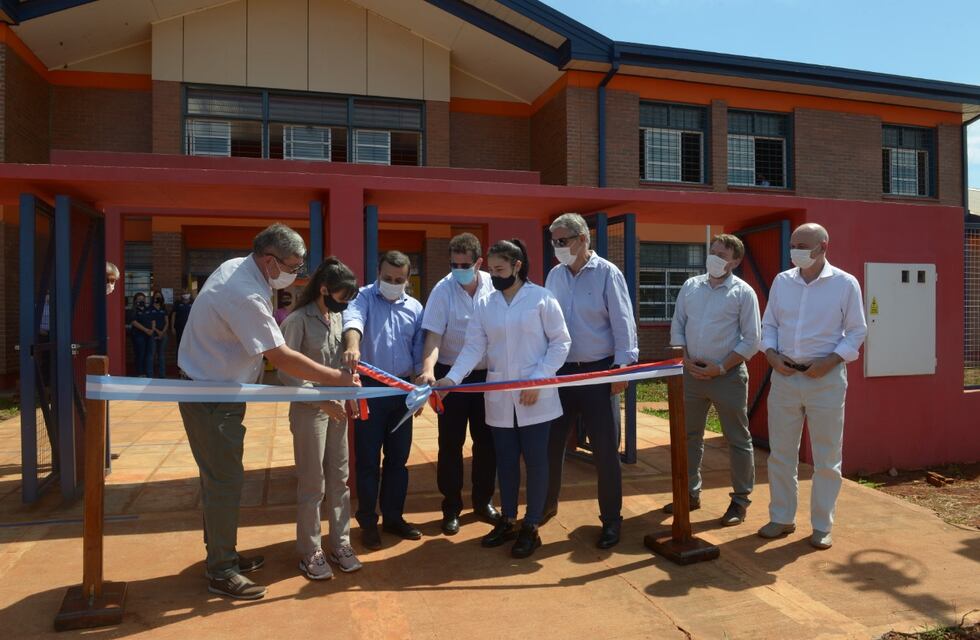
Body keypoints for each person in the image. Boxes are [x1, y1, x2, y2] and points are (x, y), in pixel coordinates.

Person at [177, 223, 358, 600]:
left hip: (221, 392)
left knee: (222, 478)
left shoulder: (240, 270)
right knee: (224, 480)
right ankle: (221, 570)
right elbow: (281, 357)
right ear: (270, 260)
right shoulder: (245, 293)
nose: (297, 272)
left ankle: (223, 553)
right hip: (211, 397)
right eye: (293, 265)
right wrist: (337, 380)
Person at [435, 239, 570, 559]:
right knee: (506, 462)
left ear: (517, 266)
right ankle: (508, 519)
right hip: (499, 397)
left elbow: (561, 343)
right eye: (492, 271)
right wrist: (452, 379)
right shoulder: (486, 304)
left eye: (500, 270)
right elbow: (473, 347)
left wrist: (540, 378)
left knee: (536, 463)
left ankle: (531, 525)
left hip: (535, 396)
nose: (494, 276)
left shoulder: (542, 298)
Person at [758, 223, 866, 550]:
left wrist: (830, 362)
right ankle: (781, 517)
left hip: (826, 379)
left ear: (823, 246)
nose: (796, 251)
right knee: (781, 454)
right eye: (793, 245)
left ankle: (822, 525)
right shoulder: (782, 281)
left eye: (803, 245)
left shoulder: (844, 283)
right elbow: (769, 325)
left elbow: (857, 331)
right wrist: (771, 355)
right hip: (785, 376)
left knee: (827, 458)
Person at [543, 213, 637, 549]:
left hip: (599, 372)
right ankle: (545, 506)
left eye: (562, 240)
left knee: (605, 451)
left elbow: (623, 322)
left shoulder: (607, 273)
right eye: (553, 241)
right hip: (561, 373)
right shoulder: (554, 275)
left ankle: (611, 520)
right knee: (551, 445)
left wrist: (622, 368)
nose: (557, 247)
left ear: (583, 239)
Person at [667, 234, 761, 526]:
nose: (714, 258)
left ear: (735, 261)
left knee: (737, 440)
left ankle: (740, 501)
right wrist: (684, 358)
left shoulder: (743, 293)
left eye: (722, 255)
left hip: (727, 377)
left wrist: (719, 368)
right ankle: (688, 494)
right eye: (712, 251)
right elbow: (678, 324)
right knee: (688, 436)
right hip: (691, 375)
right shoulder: (691, 286)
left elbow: (752, 340)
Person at [279, 258, 363, 580]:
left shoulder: (337, 318)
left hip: (337, 409)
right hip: (309, 411)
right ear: (324, 290)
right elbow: (287, 373)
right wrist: (321, 401)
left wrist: (350, 393)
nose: (345, 304)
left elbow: (341, 368)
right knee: (313, 483)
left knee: (340, 480)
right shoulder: (297, 320)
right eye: (342, 297)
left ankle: (340, 543)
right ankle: (310, 550)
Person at [417, 233, 500, 536]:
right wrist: (428, 370)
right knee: (450, 444)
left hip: (486, 376)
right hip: (449, 376)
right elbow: (433, 336)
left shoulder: (494, 285)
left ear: (479, 262)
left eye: (465, 265)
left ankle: (483, 501)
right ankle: (451, 507)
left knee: (486, 442)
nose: (458, 270)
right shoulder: (443, 290)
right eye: (454, 264)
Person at [342, 250, 425, 550]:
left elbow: (419, 348)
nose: (393, 283)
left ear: (407, 278)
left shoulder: (415, 307)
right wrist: (353, 346)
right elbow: (353, 323)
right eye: (388, 278)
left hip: (402, 391)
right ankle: (368, 523)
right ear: (378, 273)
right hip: (371, 391)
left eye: (399, 280)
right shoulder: (362, 297)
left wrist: (419, 387)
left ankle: (393, 517)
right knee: (367, 461)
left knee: (398, 460)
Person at [129, 292, 153, 377]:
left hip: (148, 335)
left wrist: (151, 330)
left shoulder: (148, 309)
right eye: (139, 299)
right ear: (135, 300)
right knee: (140, 354)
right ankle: (140, 373)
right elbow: (133, 322)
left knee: (148, 354)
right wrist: (146, 330)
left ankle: (147, 373)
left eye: (143, 299)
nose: (141, 300)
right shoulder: (134, 310)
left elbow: (152, 320)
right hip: (138, 335)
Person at [147, 292, 170, 378]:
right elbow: (150, 321)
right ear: (153, 298)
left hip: (163, 334)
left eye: (159, 297)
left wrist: (162, 332)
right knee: (151, 354)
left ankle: (162, 375)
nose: (158, 298)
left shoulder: (164, 308)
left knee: (161, 355)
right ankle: (150, 375)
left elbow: (167, 322)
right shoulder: (150, 308)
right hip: (153, 333)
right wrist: (157, 331)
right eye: (156, 297)